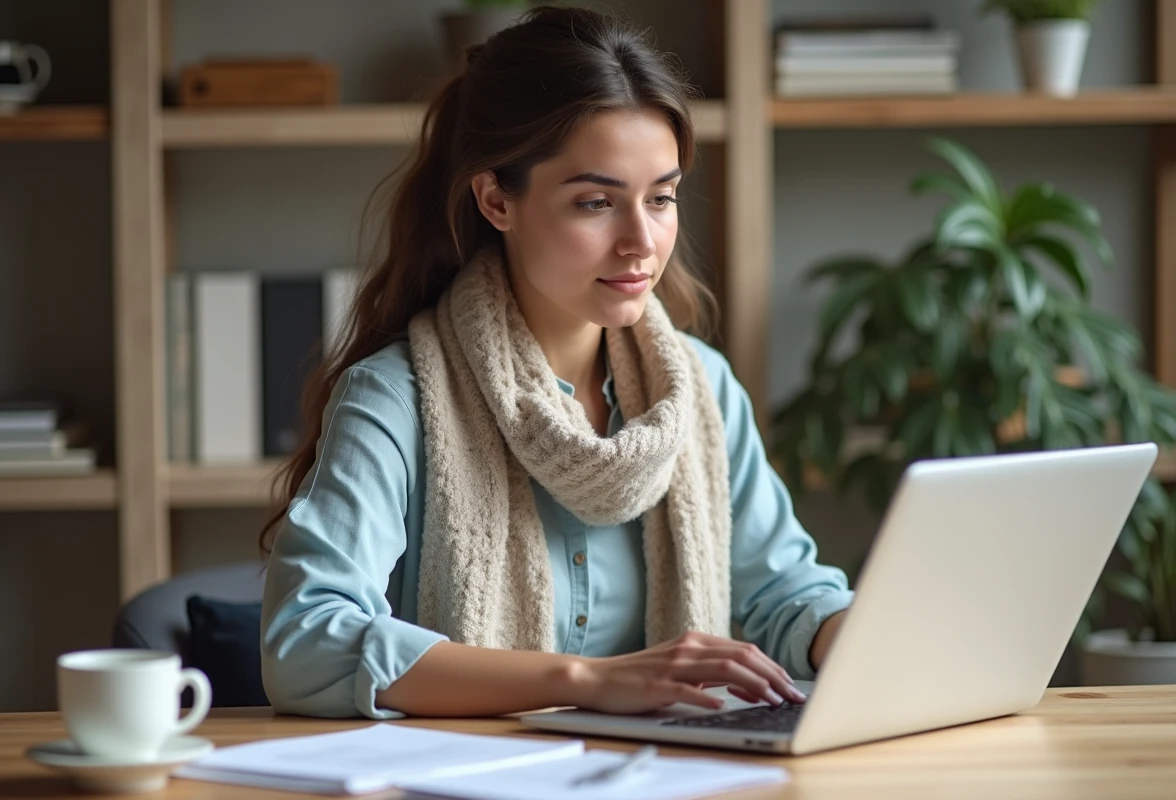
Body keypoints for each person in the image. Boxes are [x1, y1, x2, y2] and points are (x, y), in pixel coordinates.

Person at [258, 5, 852, 720]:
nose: (641, 241)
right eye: (596, 202)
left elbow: (779, 595)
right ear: (496, 199)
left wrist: (853, 633)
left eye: (661, 198)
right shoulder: (395, 398)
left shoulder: (700, 388)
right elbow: (306, 643)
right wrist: (584, 680)